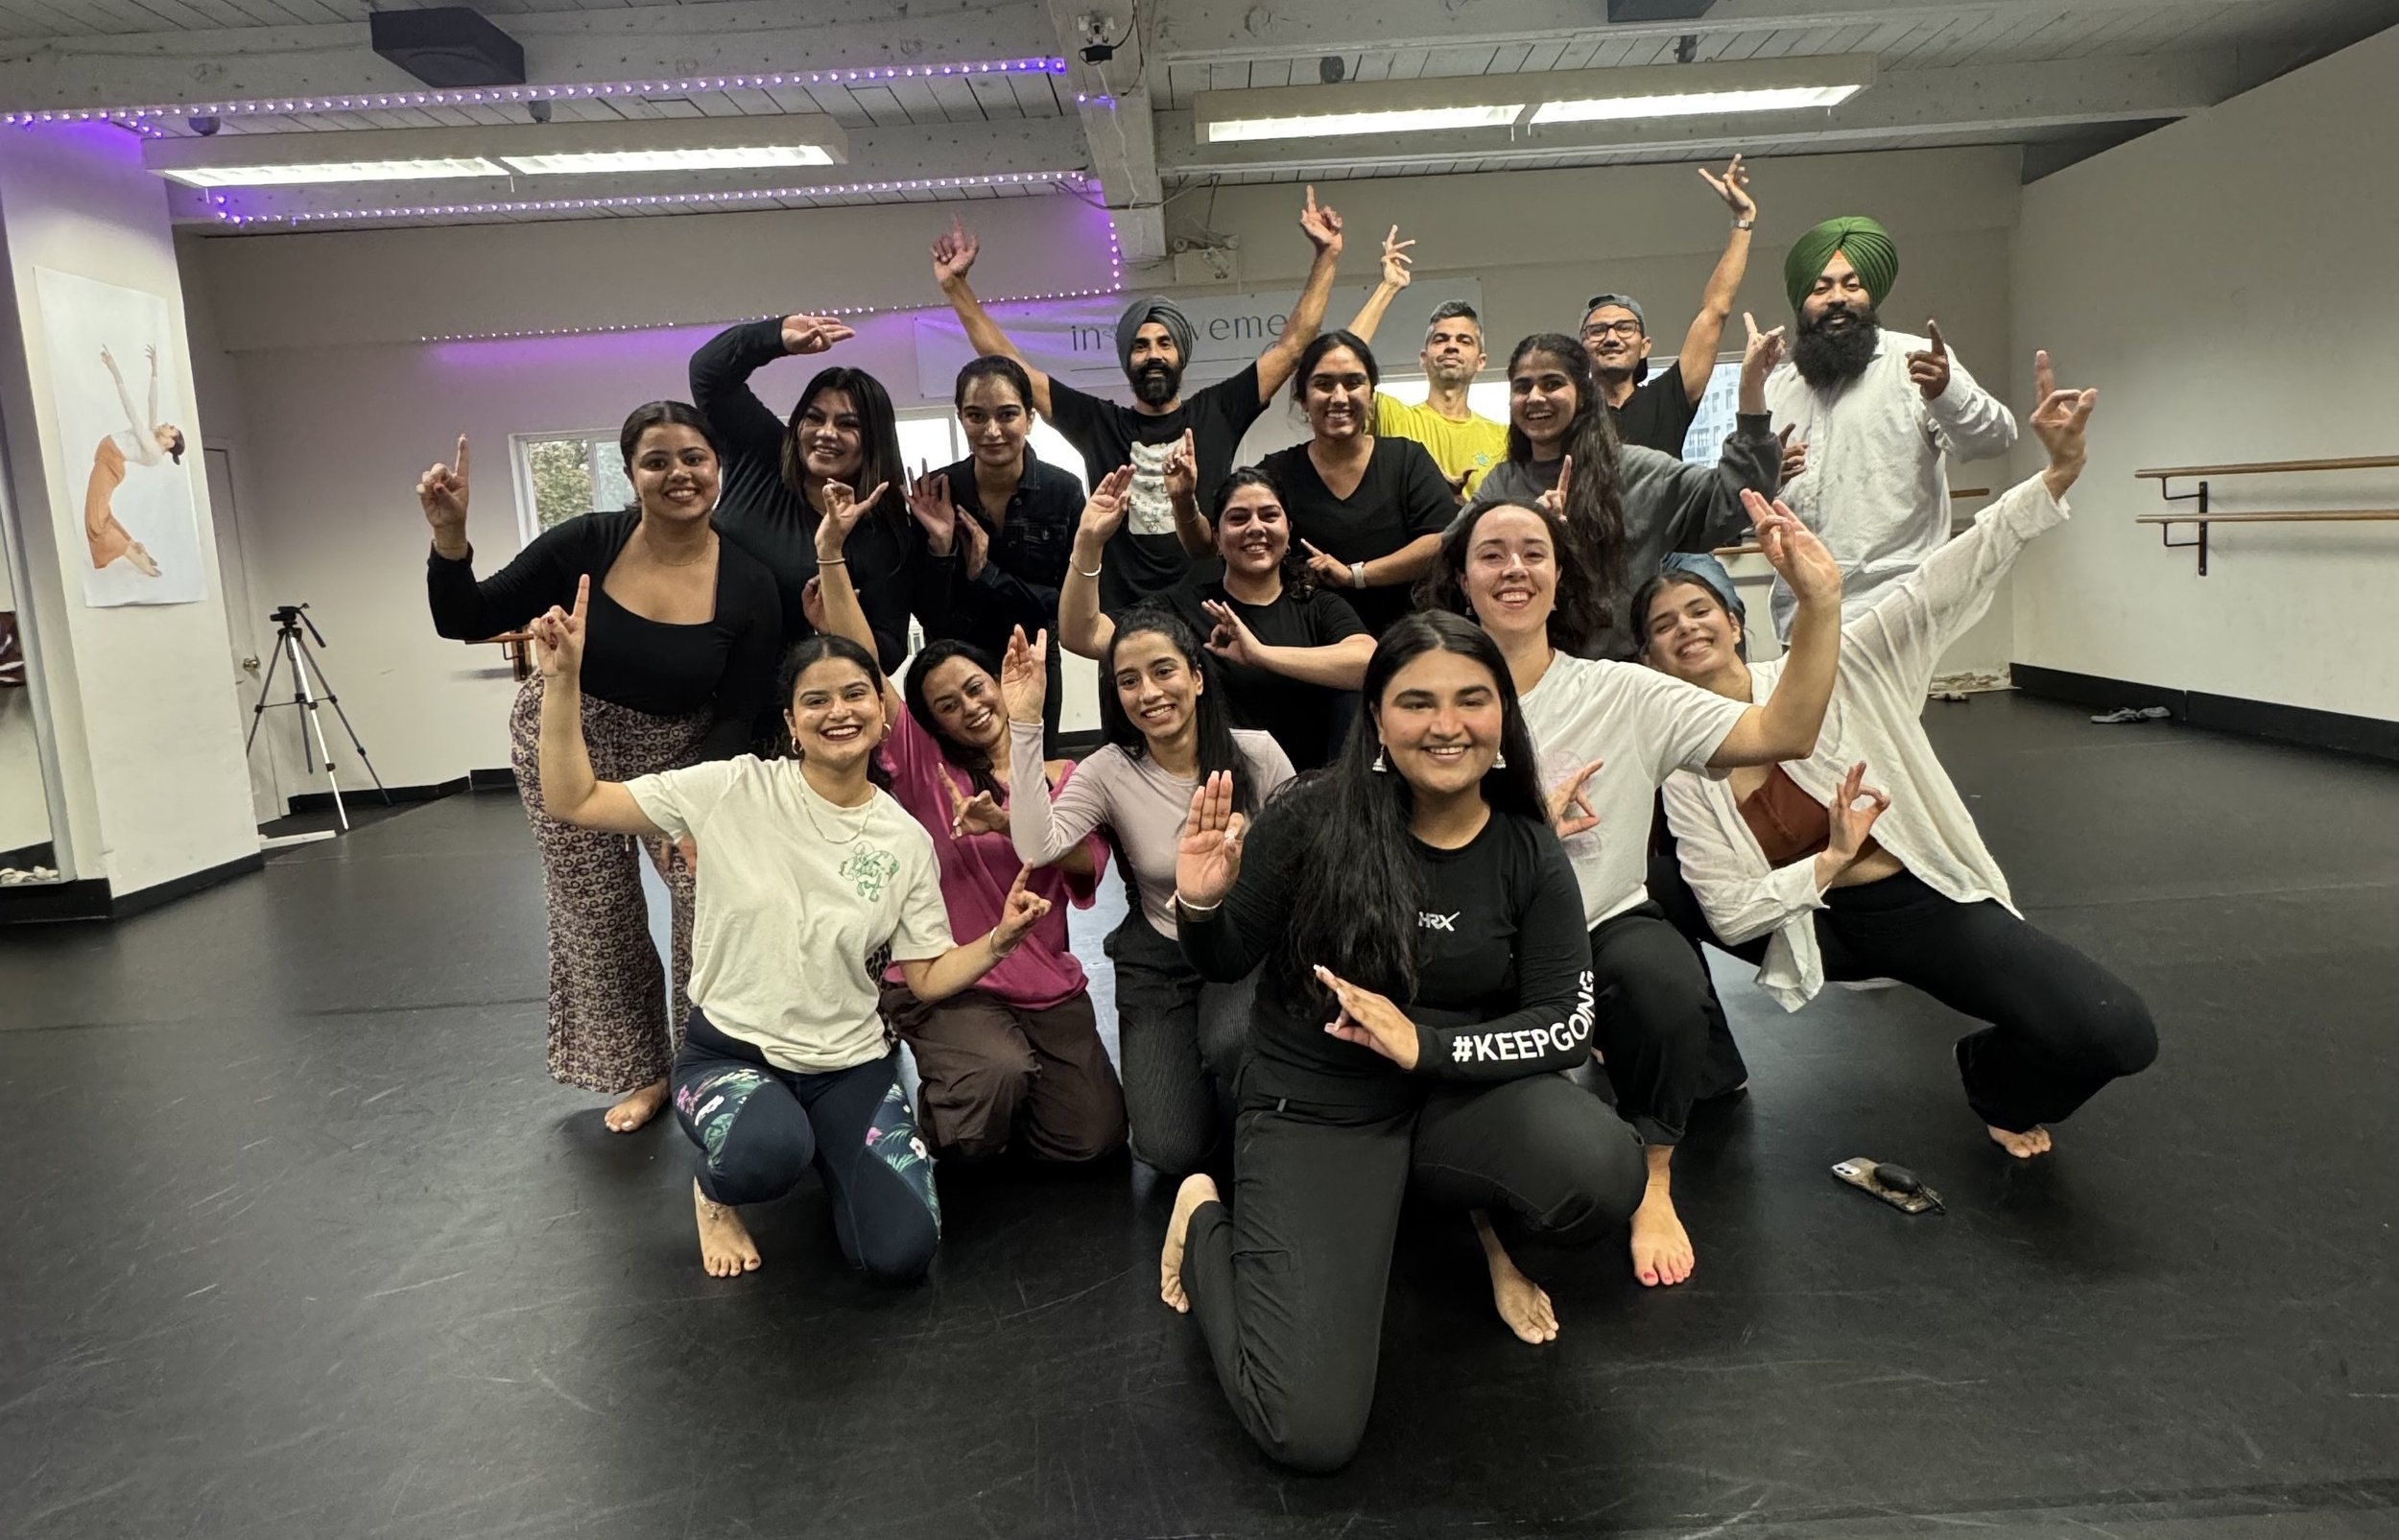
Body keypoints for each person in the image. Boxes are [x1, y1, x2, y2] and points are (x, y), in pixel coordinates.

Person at [1157, 611, 1647, 1473]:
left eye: (1472, 699)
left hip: (1450, 1104)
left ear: (1504, 715)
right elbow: (1228, 955)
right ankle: (1204, 1217)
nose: (1447, 724)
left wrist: (1425, 1046)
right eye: (1416, 702)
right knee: (1305, 1428)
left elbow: (1567, 1023)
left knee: (1602, 1167)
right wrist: (1200, 904)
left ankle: (1453, 1222)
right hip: (1318, 1109)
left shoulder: (1527, 848)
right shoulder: (1312, 815)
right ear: (1377, 718)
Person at [1641, 353, 2155, 1157]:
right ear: (1652, 659)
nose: (1685, 628)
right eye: (1663, 625)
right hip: (1808, 923)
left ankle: (1992, 1075)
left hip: (1919, 903)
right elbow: (1733, 910)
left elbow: (1943, 578)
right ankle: (1703, 1064)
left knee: (2119, 1031)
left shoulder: (1842, 661)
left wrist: (2058, 472)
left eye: (1699, 608)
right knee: (1653, 884)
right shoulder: (1683, 760)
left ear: (1736, 620)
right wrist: (1829, 861)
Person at [526, 561, 1054, 1281]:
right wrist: (563, 683)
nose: (838, 710)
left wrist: (999, 939)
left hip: (850, 1067)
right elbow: (575, 799)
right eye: (816, 700)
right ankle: (716, 1191)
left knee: (900, 1253)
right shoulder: (732, 788)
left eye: (855, 694)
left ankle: (832, 1148)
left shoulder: (903, 839)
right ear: (791, 723)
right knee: (767, 1152)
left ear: (881, 710)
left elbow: (926, 976)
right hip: (734, 1054)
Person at [1429, 481, 1843, 1288]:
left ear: (1559, 577)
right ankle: (1485, 1215)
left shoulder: (1622, 690)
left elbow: (1783, 730)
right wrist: (1523, 834)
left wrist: (1820, 605)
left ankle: (1654, 1174)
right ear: (1462, 579)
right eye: (1492, 553)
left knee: (1663, 982)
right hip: (1475, 933)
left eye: (1533, 553)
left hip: (1599, 921)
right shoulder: (1427, 693)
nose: (1514, 568)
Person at [421, 404, 782, 1133]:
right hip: (566, 733)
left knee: (704, 895)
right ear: (632, 474)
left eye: (694, 457)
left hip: (681, 750)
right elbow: (466, 615)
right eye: (657, 461)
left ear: (718, 467)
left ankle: (703, 1063)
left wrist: (703, 811)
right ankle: (640, 1072)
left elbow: (740, 714)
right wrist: (449, 536)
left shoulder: (748, 581)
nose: (678, 473)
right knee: (598, 910)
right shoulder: (587, 541)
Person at [809, 497, 1127, 1165]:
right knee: (988, 1093)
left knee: (1092, 1139)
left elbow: (1083, 868)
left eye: (977, 689)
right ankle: (957, 1111)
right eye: (947, 706)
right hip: (949, 978)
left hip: (1042, 978)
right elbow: (862, 672)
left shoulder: (1066, 774)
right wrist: (832, 554)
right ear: (933, 725)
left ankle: (1002, 1094)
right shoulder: (927, 771)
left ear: (1002, 683)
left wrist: (1013, 818)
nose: (970, 708)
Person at [929, 189, 1347, 609]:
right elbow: (1012, 368)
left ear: (1181, 354)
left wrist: (1326, 258)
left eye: (1164, 343)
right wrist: (956, 287)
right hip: (1122, 619)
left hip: (1208, 612)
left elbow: (1291, 349)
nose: (1153, 356)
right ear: (1127, 358)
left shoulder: (1217, 411)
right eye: (1141, 346)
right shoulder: (1098, 423)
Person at [1004, 612, 1295, 1173]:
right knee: (1168, 1149)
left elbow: (1304, 858)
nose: (1150, 693)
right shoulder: (1110, 769)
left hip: (1246, 948)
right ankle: (1204, 1088)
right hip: (1162, 955)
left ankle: (1260, 1112)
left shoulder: (1256, 755)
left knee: (1230, 1040)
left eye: (1164, 671)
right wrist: (1024, 723)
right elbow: (1038, 847)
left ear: (1198, 677)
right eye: (1129, 680)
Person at [1465, 325, 1782, 659]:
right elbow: (1452, 554)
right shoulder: (1500, 485)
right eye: (1522, 387)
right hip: (1527, 673)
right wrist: (1527, 528)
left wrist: (1750, 391)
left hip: (1625, 675)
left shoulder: (1639, 473)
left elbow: (1740, 497)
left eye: (1552, 383)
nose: (1535, 397)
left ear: (1583, 395)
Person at [1766, 214, 2018, 629]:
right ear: (1801, 304)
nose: (1837, 298)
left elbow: (1994, 438)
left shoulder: (1915, 362)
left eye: (1852, 284)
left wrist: (1946, 393)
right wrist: (1768, 475)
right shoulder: (1781, 388)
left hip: (1894, 605)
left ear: (1872, 296)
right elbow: (1751, 495)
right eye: (1821, 287)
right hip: (1802, 612)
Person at [1059, 459, 1372, 771]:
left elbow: (1368, 663)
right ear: (1217, 538)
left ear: (1288, 531)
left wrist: (1261, 655)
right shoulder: (1184, 608)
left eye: (1269, 516)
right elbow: (1082, 636)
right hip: (1213, 796)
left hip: (1310, 797)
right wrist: (1089, 541)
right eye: (1238, 518)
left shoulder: (1318, 607)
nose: (1255, 527)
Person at [689, 314, 919, 674]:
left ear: (874, 440)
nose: (827, 433)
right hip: (697, 671)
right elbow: (708, 375)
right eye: (814, 418)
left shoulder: (881, 531)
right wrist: (774, 338)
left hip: (788, 700)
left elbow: (887, 653)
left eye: (848, 424)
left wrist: (833, 627)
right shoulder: (763, 453)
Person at [905, 354, 1085, 748]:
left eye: (1007, 415)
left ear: (1030, 417)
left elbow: (1068, 606)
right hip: (955, 668)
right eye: (975, 416)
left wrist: (986, 572)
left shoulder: (1063, 491)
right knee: (964, 780)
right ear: (960, 417)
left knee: (1036, 771)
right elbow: (928, 612)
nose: (992, 431)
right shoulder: (937, 493)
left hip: (1032, 659)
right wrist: (939, 547)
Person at [1256, 332, 1460, 638]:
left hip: (1406, 644)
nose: (1339, 397)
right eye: (1324, 384)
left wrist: (1356, 575)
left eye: (1353, 383)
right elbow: (1220, 540)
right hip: (1314, 649)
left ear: (1371, 393)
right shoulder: (1277, 472)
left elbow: (1441, 542)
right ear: (1302, 398)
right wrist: (1184, 501)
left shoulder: (1406, 459)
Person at [1578, 155, 1760, 456]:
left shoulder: (1668, 399)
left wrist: (1743, 220)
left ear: (1645, 345)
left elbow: (1715, 311)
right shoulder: (1568, 413)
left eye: (1624, 328)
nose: (1611, 337)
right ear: (1581, 347)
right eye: (1597, 330)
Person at [1344, 228, 1508, 498]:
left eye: (1464, 340)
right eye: (1441, 339)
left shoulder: (1502, 438)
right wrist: (1389, 287)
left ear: (1481, 362)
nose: (1452, 345)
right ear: (1424, 358)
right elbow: (1342, 361)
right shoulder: (1392, 416)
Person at [86, 344, 184, 578]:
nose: (166, 424)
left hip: (110, 462)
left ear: (170, 442)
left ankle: (137, 560)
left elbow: (131, 410)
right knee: (102, 515)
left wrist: (115, 371)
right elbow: (152, 402)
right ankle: (137, 550)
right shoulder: (153, 438)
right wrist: (155, 370)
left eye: (171, 428)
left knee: (95, 521)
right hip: (109, 460)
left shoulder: (151, 447)